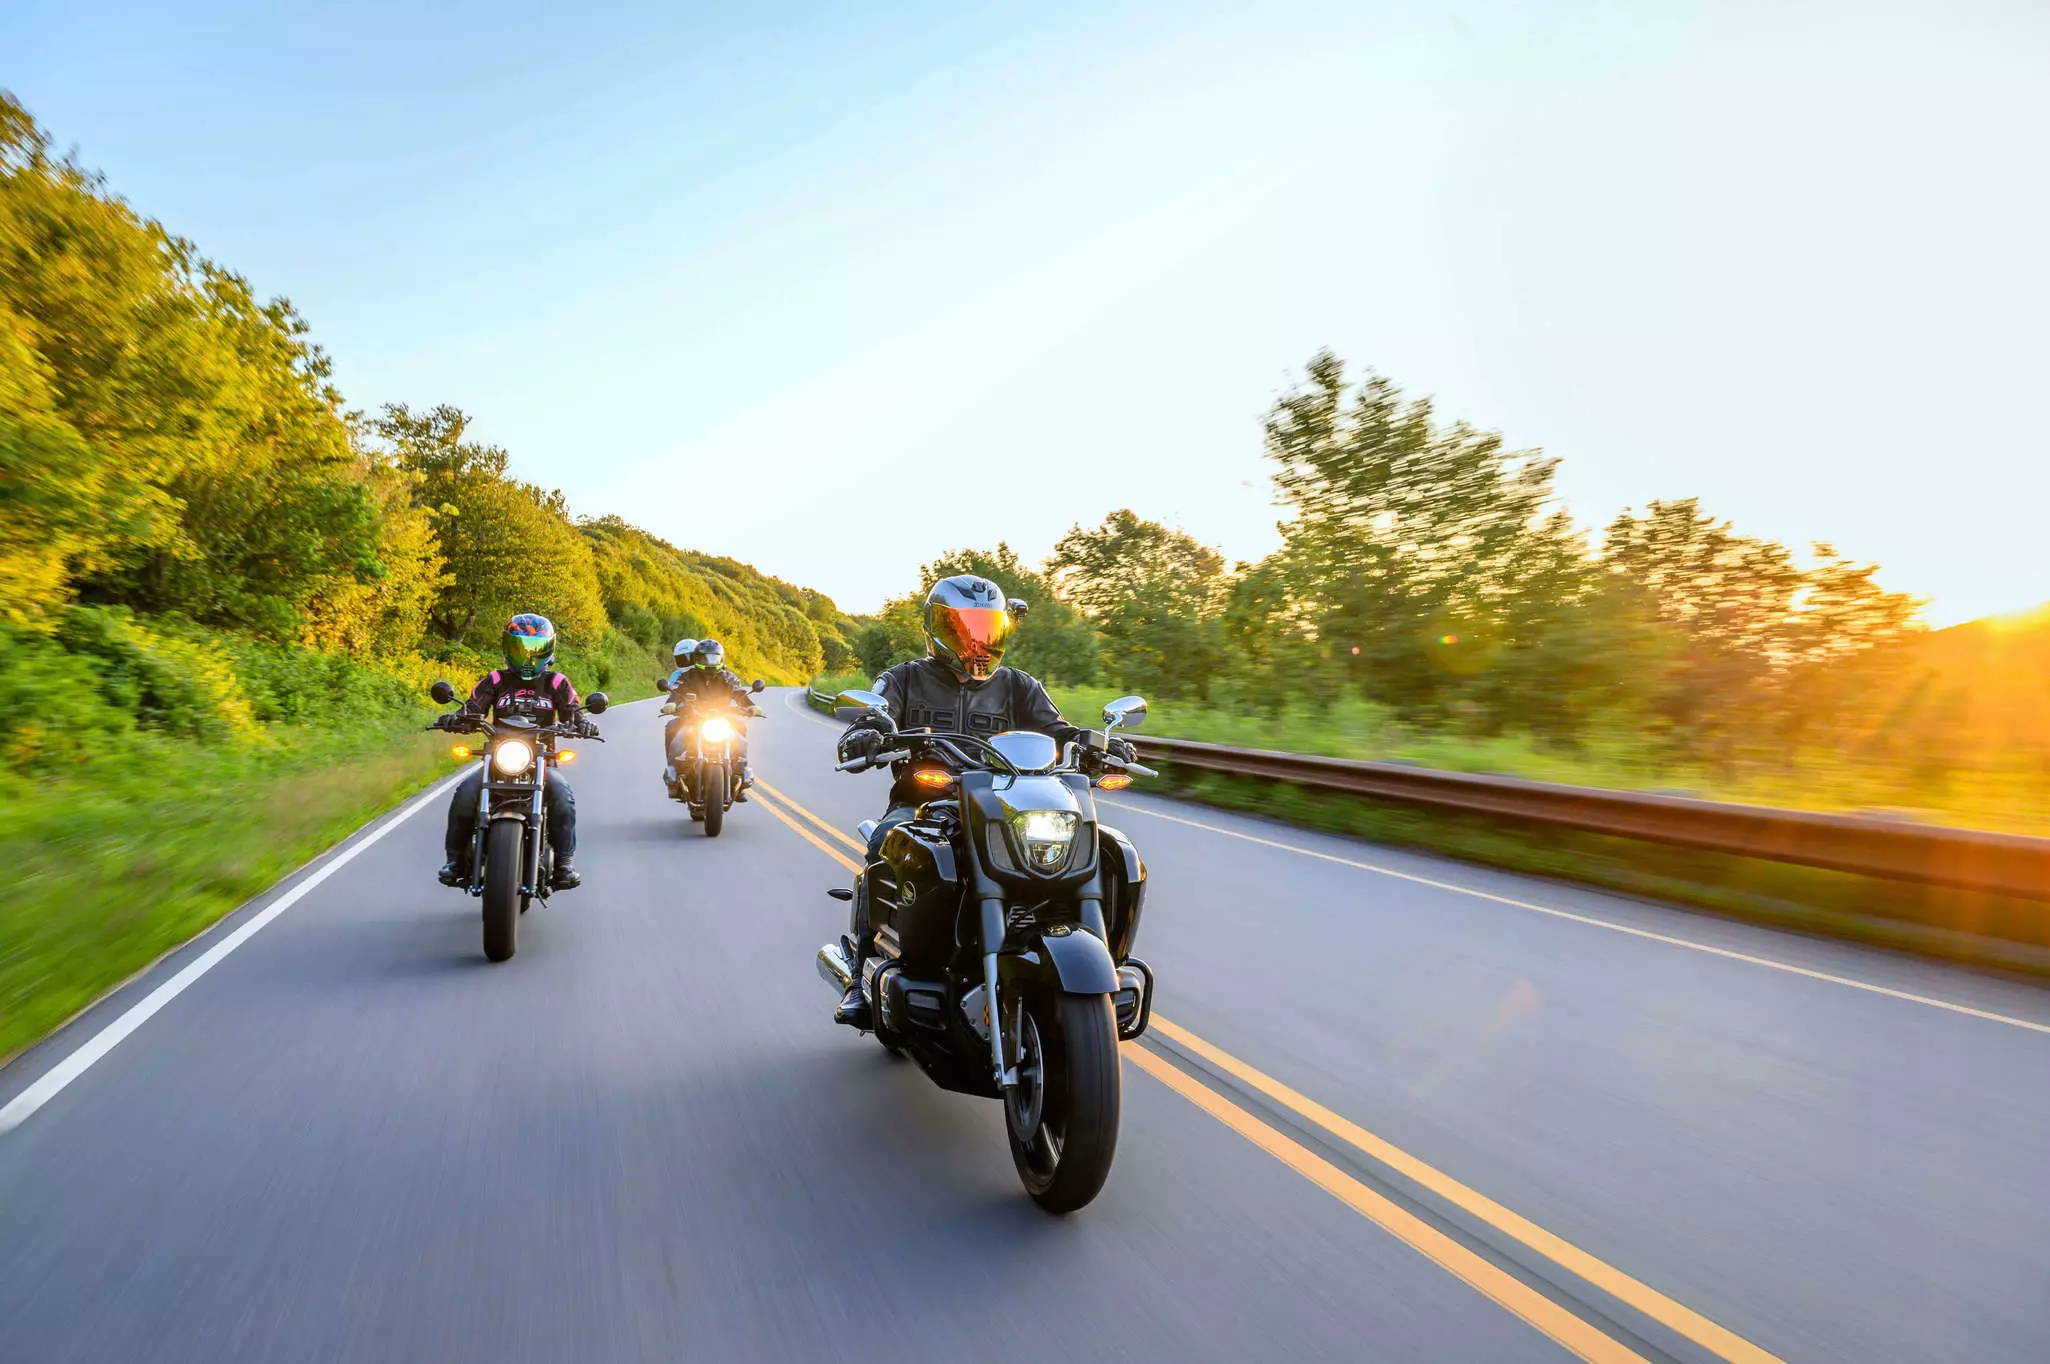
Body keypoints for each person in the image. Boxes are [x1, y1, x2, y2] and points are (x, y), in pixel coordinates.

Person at [830, 574, 1133, 1027]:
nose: (977, 642)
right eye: (963, 629)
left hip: (1007, 807)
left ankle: (1102, 962)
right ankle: (860, 974)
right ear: (937, 629)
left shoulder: (1017, 686)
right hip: (926, 803)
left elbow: (1060, 730)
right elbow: (875, 708)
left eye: (986, 629)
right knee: (885, 842)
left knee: (1106, 846)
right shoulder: (905, 678)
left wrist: (1098, 745)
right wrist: (866, 732)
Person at [435, 613, 597, 890]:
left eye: (536, 649)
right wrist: (456, 718)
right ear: (508, 647)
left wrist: (584, 723)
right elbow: (473, 708)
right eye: (520, 648)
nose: (528, 657)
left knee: (562, 796)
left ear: (549, 649)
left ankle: (564, 865)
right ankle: (454, 862)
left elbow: (572, 711)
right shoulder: (496, 679)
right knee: (465, 794)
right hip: (498, 761)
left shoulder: (556, 682)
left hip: (540, 763)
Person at [663, 637, 759, 800]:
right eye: (705, 658)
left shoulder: (728, 677)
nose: (710, 662)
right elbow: (677, 691)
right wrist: (671, 704)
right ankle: (673, 776)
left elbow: (739, 692)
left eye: (714, 657)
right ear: (697, 659)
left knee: (741, 728)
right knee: (673, 730)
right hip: (694, 718)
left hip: (724, 718)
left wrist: (751, 706)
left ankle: (740, 776)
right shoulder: (688, 676)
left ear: (721, 658)